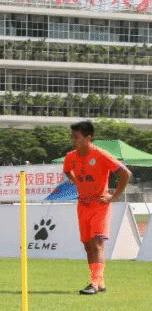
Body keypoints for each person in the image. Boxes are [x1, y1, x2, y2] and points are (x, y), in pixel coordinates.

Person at [62, 121, 131, 295]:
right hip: (82, 205)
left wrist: (113, 197)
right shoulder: (70, 156)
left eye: (76, 137)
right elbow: (67, 170)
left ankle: (93, 283)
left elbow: (125, 174)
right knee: (87, 245)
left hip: (100, 205)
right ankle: (100, 282)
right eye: (72, 137)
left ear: (88, 138)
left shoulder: (100, 154)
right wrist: (76, 181)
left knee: (97, 243)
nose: (73, 141)